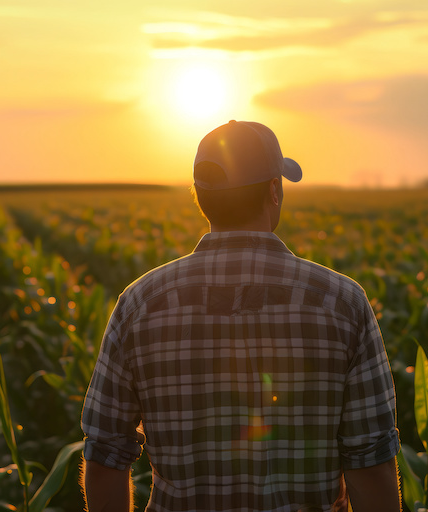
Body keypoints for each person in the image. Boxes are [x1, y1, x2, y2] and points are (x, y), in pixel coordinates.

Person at [81, 120, 401, 512]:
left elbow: (105, 458)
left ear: (200, 198)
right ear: (273, 190)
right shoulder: (342, 303)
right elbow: (371, 463)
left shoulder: (140, 304)